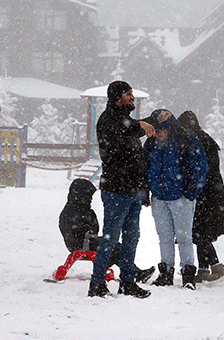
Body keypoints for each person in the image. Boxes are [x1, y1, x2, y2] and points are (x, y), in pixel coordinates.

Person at [88, 80, 156, 299]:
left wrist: (143, 189)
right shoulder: (109, 120)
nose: (132, 97)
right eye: (128, 94)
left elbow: (135, 152)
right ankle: (97, 283)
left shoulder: (125, 120)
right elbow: (126, 130)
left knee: (131, 237)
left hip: (133, 190)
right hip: (116, 190)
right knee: (110, 238)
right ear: (117, 97)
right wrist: (143, 124)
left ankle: (127, 281)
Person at [143, 109, 208, 290]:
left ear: (168, 126)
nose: (156, 133)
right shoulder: (151, 143)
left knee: (184, 237)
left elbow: (200, 166)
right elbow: (144, 167)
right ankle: (166, 272)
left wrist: (190, 192)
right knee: (164, 237)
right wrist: (145, 193)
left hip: (181, 198)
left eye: (159, 130)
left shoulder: (187, 139)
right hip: (159, 198)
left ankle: (188, 275)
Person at [59, 178, 155, 283]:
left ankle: (135, 271)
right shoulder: (80, 211)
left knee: (113, 246)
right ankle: (135, 272)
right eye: (89, 196)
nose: (91, 199)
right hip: (83, 244)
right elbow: (93, 229)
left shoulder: (71, 209)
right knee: (113, 247)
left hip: (77, 243)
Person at [178, 110, 224, 284]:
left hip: (203, 192)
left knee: (198, 231)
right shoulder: (205, 138)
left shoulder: (195, 140)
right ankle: (203, 270)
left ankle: (217, 267)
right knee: (202, 230)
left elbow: (199, 169)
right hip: (213, 192)